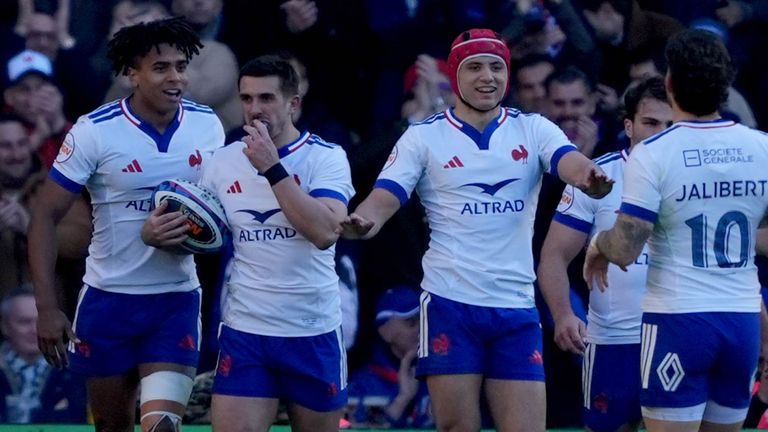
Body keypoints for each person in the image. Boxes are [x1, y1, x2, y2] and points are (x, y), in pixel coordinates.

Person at [342, 28, 613, 432]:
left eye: (496, 67)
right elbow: (385, 196)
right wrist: (364, 221)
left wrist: (588, 176)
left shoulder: (533, 128)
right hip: (451, 304)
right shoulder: (424, 135)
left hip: (516, 308)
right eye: (474, 67)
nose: (487, 76)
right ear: (454, 75)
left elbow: (568, 161)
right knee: (456, 427)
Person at [27, 17, 224, 432]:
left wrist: (192, 237)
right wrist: (46, 307)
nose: (176, 78)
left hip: (175, 302)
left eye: (181, 66)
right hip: (107, 303)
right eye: (161, 68)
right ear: (131, 74)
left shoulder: (207, 125)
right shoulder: (94, 131)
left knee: (162, 427)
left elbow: (219, 208)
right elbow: (45, 214)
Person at [583, 29, 768, 432]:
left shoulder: (654, 153)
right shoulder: (762, 148)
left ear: (670, 84)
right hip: (741, 324)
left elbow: (626, 248)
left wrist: (598, 244)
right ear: (726, 85)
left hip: (679, 323)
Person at [203, 54, 353, 432]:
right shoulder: (221, 162)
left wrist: (271, 167)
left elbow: (323, 232)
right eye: (247, 98)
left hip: (312, 330)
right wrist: (161, 232)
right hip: (246, 331)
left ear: (293, 103)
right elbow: (200, 231)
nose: (255, 109)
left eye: (267, 98)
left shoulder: (327, 157)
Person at [538, 76, 672, 432]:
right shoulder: (597, 177)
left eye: (671, 124)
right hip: (613, 341)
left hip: (681, 333)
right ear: (628, 125)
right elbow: (553, 256)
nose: (660, 133)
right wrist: (564, 314)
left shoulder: (697, 177)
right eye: (650, 123)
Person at [347, 286, 433, 428]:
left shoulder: (440, 375)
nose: (421, 329)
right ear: (385, 331)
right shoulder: (361, 386)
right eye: (411, 322)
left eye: (424, 320)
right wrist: (402, 399)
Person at [0, 285, 87, 423]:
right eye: (24, 322)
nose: (35, 330)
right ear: (4, 326)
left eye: (42, 321)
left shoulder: (76, 368)